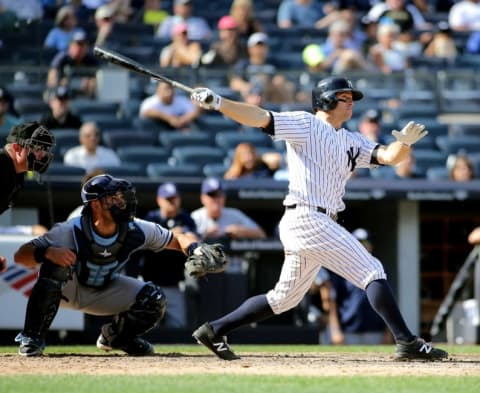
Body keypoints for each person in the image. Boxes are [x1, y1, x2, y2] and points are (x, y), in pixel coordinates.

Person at [188, 76, 448, 361]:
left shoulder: (351, 139)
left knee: (283, 299)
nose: (350, 103)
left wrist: (405, 144)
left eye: (352, 99)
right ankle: (407, 340)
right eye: (344, 98)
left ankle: (215, 329)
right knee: (372, 271)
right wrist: (220, 102)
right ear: (325, 100)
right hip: (308, 215)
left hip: (313, 221)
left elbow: (387, 156)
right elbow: (260, 116)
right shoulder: (306, 124)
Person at [13, 173, 223, 356]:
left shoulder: (136, 228)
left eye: (121, 196)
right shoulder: (69, 230)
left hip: (105, 288)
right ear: (95, 204)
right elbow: (21, 256)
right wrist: (48, 251)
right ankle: (32, 338)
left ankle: (115, 338)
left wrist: (195, 248)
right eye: (113, 198)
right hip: (68, 287)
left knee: (153, 299)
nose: (121, 202)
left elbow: (176, 239)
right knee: (52, 264)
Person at [138, 182, 199, 328]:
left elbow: (194, 239)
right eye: (168, 199)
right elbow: (146, 245)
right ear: (159, 200)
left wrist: (184, 235)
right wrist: (173, 235)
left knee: (177, 328)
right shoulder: (151, 218)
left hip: (174, 284)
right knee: (147, 328)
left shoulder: (186, 218)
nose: (172, 202)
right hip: (150, 283)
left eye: (174, 198)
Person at [319, 228, 391, 345]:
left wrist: (389, 332)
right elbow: (333, 301)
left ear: (371, 246)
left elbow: (388, 301)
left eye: (365, 243)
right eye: (358, 244)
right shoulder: (342, 268)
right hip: (349, 331)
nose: (362, 247)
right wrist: (335, 330)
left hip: (376, 331)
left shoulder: (380, 268)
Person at [0, 122, 55, 273]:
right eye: (37, 149)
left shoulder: (15, 174)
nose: (42, 155)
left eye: (44, 150)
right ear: (17, 148)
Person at [46, 31, 99, 99]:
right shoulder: (62, 58)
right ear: (71, 45)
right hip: (62, 96)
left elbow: (98, 79)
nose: (80, 47)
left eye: (83, 44)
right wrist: (69, 82)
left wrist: (91, 82)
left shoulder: (90, 60)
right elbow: (52, 80)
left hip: (83, 96)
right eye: (78, 44)